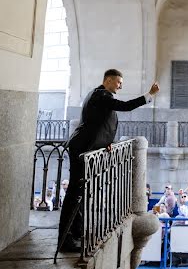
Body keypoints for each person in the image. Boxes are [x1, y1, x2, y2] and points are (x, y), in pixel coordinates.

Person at [57, 68, 160, 252]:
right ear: (109, 80)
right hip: (83, 149)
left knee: (79, 194)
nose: (120, 86)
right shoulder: (102, 95)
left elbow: (99, 123)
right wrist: (149, 95)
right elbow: (126, 106)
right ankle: (65, 241)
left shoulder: (98, 95)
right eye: (119, 82)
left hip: (86, 148)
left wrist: (107, 142)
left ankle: (77, 232)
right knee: (75, 194)